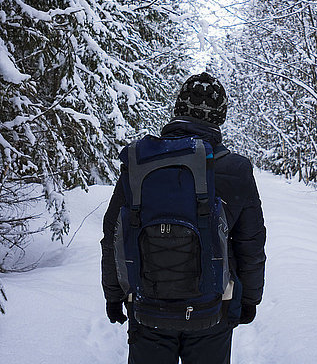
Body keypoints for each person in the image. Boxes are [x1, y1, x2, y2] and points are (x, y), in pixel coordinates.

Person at [101, 72, 266, 364]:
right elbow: (250, 245)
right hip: (213, 309)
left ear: (178, 110)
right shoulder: (236, 169)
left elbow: (113, 234)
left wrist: (114, 294)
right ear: (220, 115)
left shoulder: (140, 161)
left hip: (148, 308)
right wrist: (250, 299)